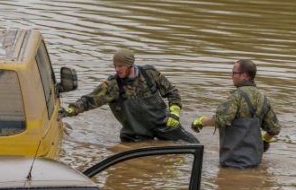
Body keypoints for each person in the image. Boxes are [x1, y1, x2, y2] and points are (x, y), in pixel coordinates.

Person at [61, 49, 199, 143]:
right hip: (135, 135)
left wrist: (174, 112)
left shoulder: (150, 73)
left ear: (130, 65)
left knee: (194, 145)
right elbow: (89, 100)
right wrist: (71, 110)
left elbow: (172, 91)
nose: (116, 69)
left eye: (120, 66)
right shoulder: (112, 85)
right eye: (115, 66)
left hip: (164, 125)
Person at [191, 59, 280, 168]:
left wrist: (201, 121)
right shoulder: (262, 98)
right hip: (255, 161)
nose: (231, 76)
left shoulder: (237, 96)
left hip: (233, 162)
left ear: (244, 75)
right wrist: (265, 140)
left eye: (234, 73)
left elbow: (220, 120)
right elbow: (274, 128)